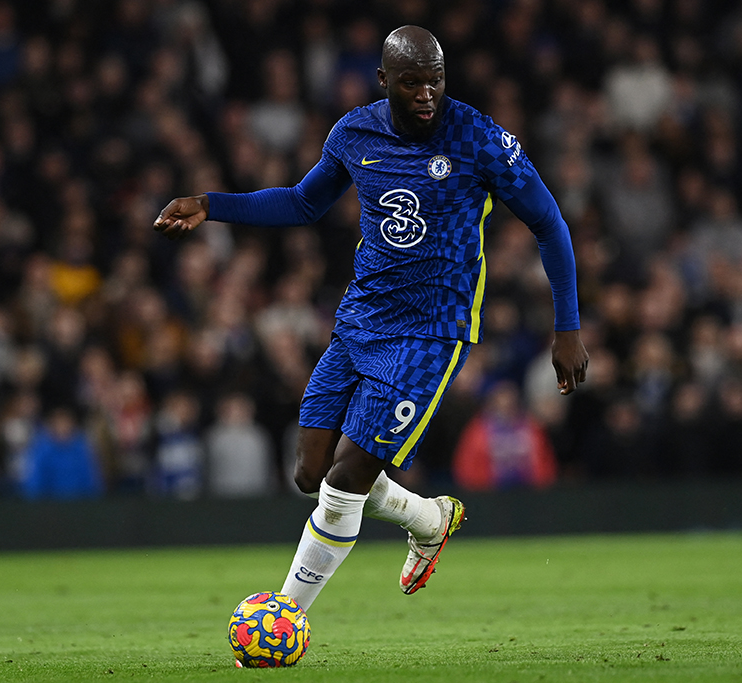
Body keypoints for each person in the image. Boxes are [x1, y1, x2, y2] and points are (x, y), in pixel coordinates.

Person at [154, 26, 588, 611]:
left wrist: (567, 328)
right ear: (384, 81)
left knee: (343, 482)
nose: (427, 93)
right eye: (412, 82)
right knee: (310, 471)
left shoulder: (480, 139)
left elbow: (550, 224)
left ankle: (285, 616)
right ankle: (429, 519)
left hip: (431, 333)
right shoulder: (353, 132)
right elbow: (304, 202)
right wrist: (211, 205)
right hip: (362, 320)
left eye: (435, 79)